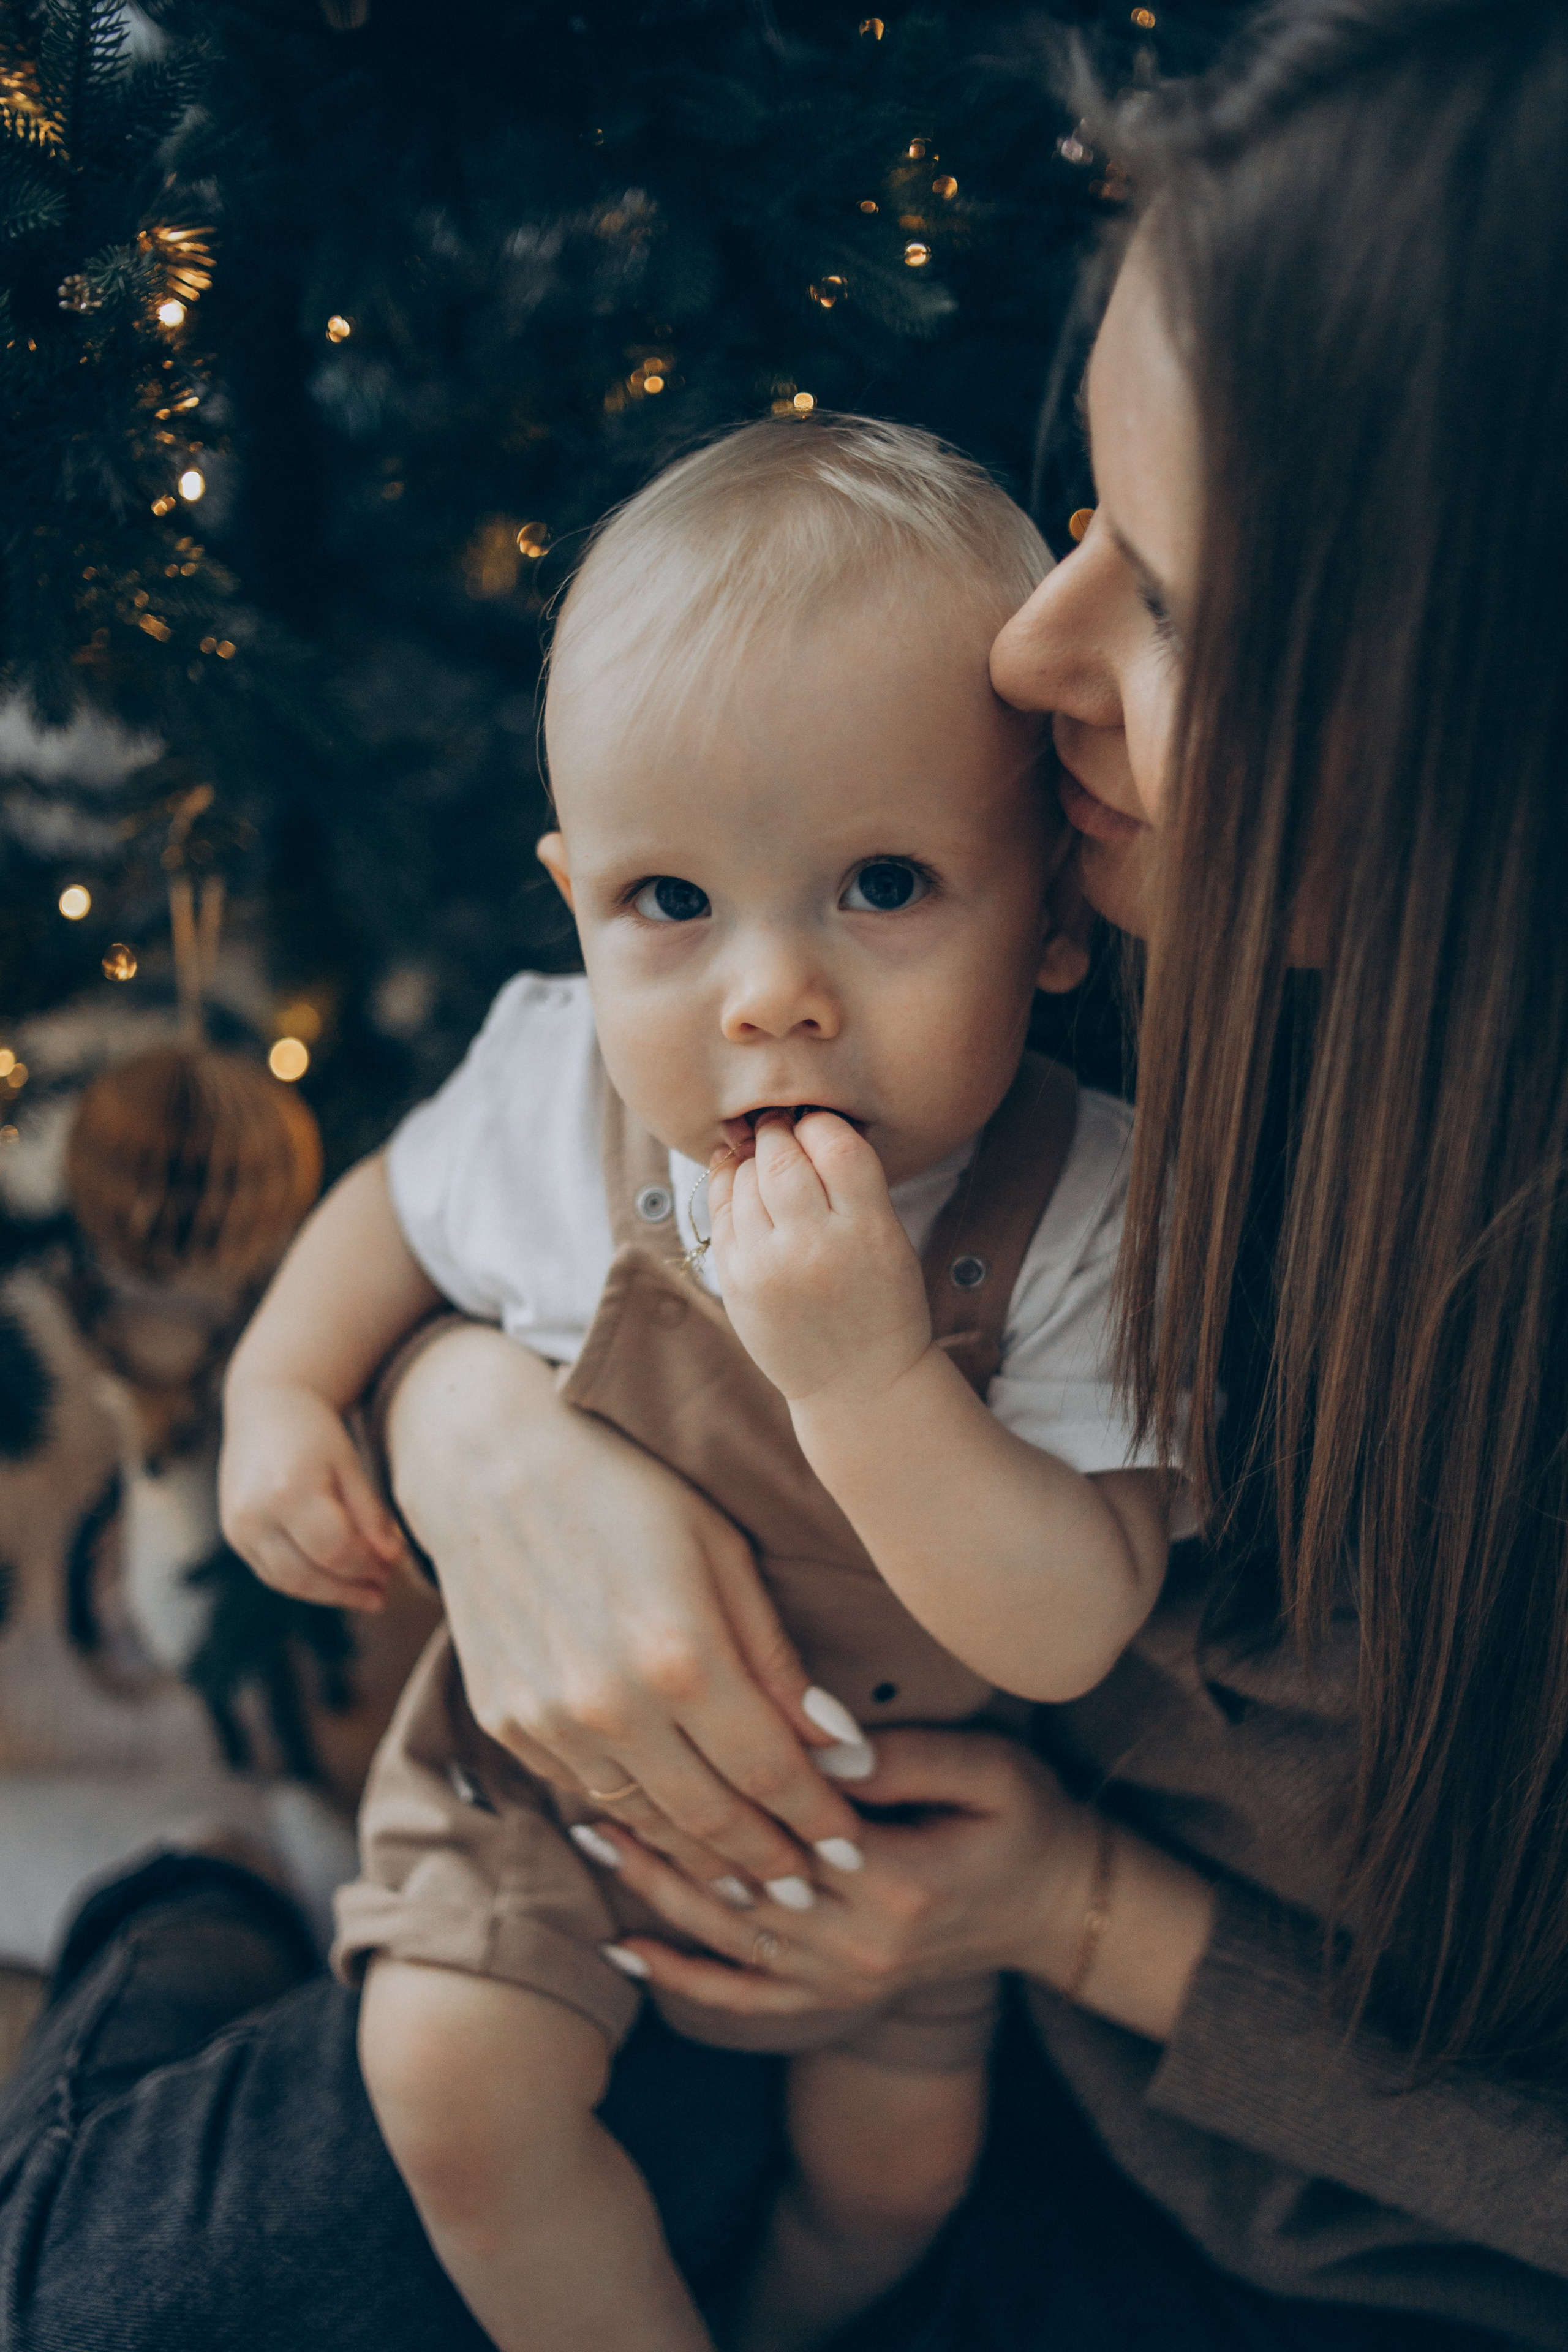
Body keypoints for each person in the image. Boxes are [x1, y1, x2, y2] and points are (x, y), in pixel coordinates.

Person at [2, 3, 1565, 2345]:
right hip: (775, 1890)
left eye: (1168, 602)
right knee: (151, 2292)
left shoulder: (1036, 992)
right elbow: (489, 1196)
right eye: (1087, 524)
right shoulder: (1080, 877)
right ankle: (188, 1918)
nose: (1029, 654)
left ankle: (192, 1947)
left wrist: (1073, 1915)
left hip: (1204, 2120)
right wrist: (468, 1429)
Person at [217, 415, 1172, 2352]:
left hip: (887, 1849)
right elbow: (390, 1211)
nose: (767, 995)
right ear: (573, 897)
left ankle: (785, 2315)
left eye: (883, 883)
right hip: (539, 1797)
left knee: (897, 2171)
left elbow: (1073, 1626)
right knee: (447, 2085)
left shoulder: (1084, 1205)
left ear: (1055, 918)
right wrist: (281, 1396)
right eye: (670, 903)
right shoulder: (561, 1089)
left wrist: (871, 1379)